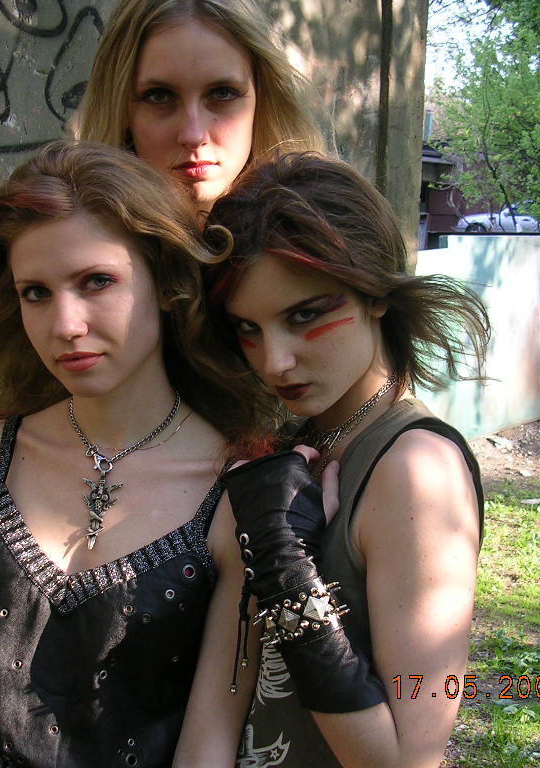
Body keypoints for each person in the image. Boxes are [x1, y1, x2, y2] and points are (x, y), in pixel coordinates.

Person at [0, 0, 323, 657]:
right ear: (122, 108)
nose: (193, 132)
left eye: (222, 94)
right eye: (158, 97)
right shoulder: (57, 264)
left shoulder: (312, 257)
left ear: (261, 100)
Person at [0, 141, 256, 768]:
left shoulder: (236, 493)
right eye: (36, 293)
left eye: (97, 281)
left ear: (166, 281)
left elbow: (209, 741)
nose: (65, 324)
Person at [196, 152, 490, 768]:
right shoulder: (293, 441)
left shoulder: (417, 470)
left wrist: (287, 573)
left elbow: (408, 760)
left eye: (305, 315)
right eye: (248, 329)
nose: (274, 361)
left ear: (374, 293)